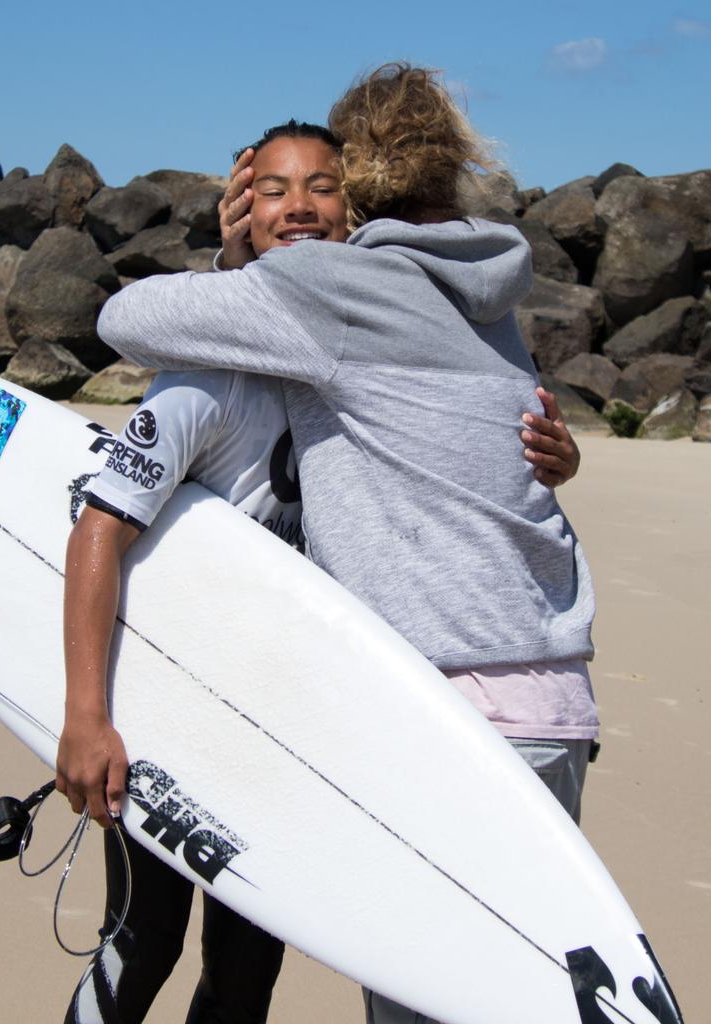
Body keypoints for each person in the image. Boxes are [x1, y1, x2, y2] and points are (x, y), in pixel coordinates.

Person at [64, 106, 583, 1023]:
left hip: (291, 723)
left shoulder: (363, 338)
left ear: (358, 214)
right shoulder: (205, 371)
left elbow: (468, 447)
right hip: (171, 705)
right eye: (271, 189)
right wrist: (86, 715)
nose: (297, 205)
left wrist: (550, 451)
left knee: (247, 970)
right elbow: (102, 526)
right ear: (238, 208)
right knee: (144, 942)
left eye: (322, 186)